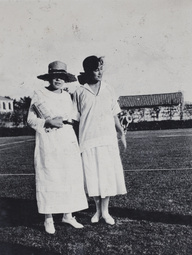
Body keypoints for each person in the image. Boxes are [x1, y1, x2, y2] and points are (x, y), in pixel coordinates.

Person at [27, 61, 88, 234]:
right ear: (50, 78)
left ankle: (68, 215)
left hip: (67, 138)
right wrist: (47, 121)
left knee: (69, 175)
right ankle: (48, 218)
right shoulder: (39, 94)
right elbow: (30, 120)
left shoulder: (67, 96)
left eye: (62, 77)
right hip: (48, 138)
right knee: (50, 175)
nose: (58, 80)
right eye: (55, 76)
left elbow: (73, 118)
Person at [72, 56, 127, 225]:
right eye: (96, 69)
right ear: (88, 71)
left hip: (107, 140)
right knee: (93, 177)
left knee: (107, 176)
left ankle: (106, 212)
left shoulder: (109, 89)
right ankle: (97, 211)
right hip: (88, 140)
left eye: (101, 69)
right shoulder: (79, 92)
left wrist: (121, 133)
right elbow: (75, 120)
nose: (99, 72)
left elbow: (114, 115)